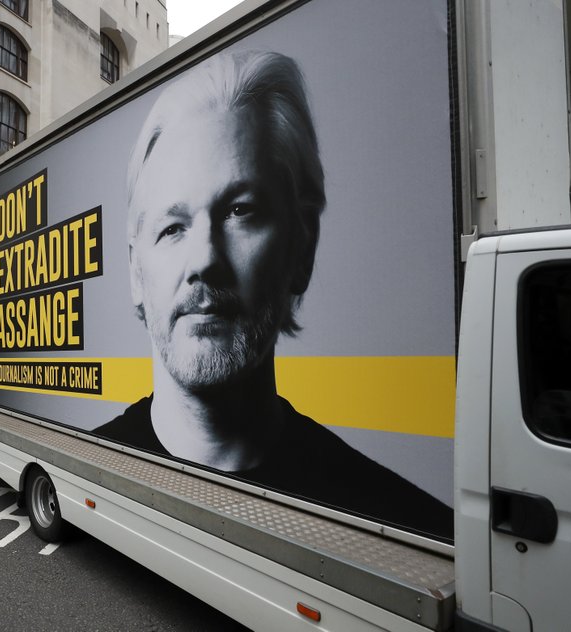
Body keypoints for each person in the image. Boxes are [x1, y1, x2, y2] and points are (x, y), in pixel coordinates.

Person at [92, 49, 452, 539]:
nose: (204, 261)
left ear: (301, 248)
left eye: (240, 211)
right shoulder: (94, 460)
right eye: (173, 228)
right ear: (136, 271)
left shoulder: (407, 524)